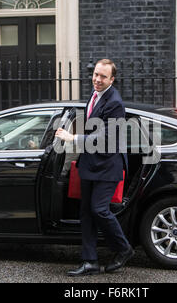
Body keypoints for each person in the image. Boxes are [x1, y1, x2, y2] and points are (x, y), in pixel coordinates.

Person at [55, 59, 134, 276]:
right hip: (91, 164)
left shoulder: (115, 102)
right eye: (96, 75)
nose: (97, 79)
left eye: (103, 77)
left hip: (108, 165)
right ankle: (89, 261)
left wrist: (73, 138)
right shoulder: (95, 94)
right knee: (86, 213)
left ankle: (124, 248)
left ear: (112, 79)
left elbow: (105, 136)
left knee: (99, 209)